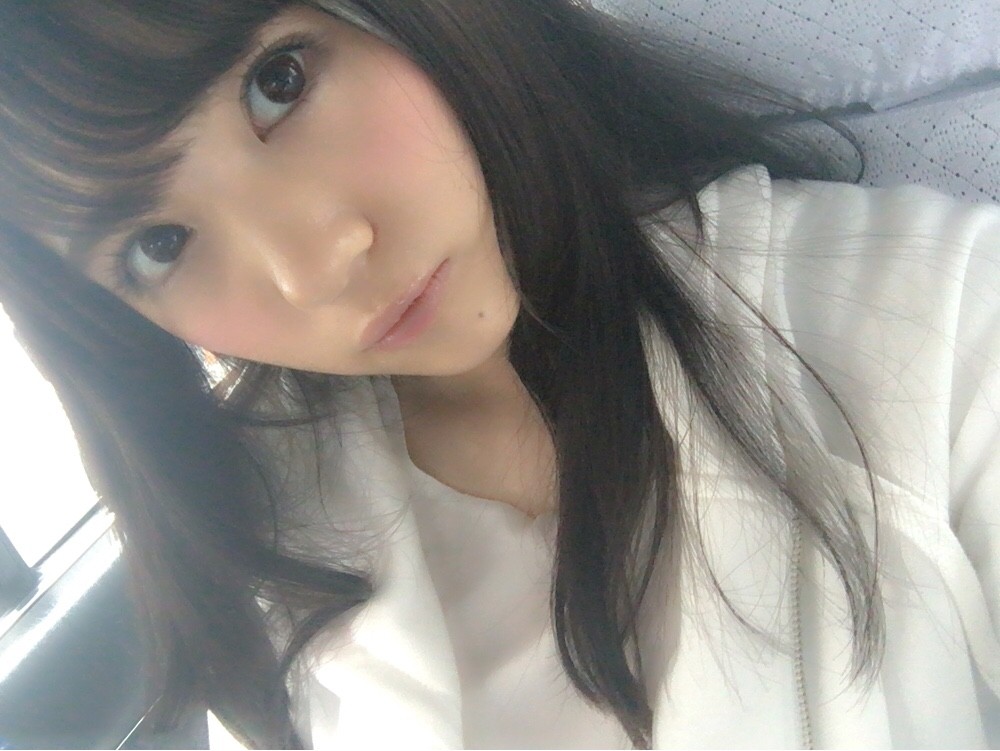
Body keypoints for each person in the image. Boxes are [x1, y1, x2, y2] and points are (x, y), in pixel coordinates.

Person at [0, 0, 996, 747]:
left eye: (280, 83)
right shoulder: (261, 535)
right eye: (159, 244)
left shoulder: (930, 312)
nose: (317, 264)